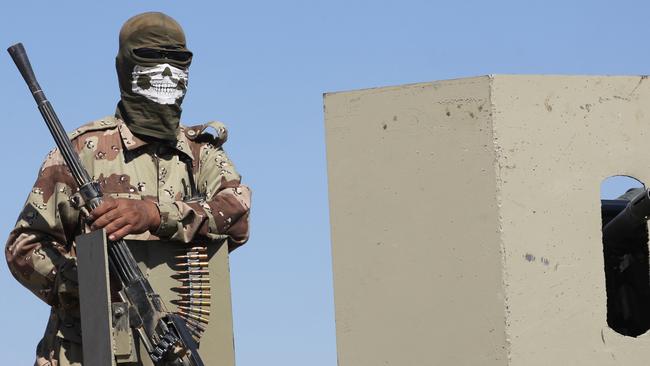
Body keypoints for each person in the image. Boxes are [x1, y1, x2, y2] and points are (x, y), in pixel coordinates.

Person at [5, 12, 251, 366]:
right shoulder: (80, 152)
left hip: (178, 345)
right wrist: (89, 284)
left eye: (178, 60)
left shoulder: (202, 154)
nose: (167, 71)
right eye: (152, 58)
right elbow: (23, 247)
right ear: (125, 68)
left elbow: (237, 216)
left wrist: (154, 215)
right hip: (87, 349)